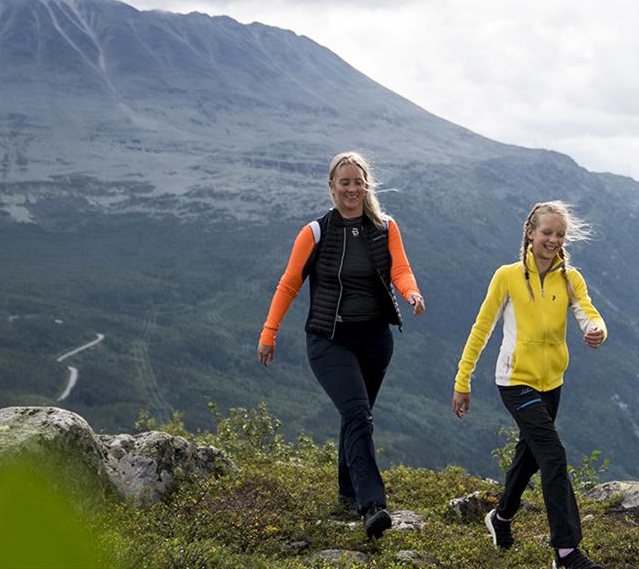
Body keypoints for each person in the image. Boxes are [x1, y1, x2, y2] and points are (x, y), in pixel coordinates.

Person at [257, 151, 425, 538]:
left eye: (357, 181)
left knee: (356, 416)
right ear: (332, 187)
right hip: (328, 340)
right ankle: (373, 506)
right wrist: (270, 332)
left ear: (367, 186)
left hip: (376, 340)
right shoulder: (315, 233)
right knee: (359, 415)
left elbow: (400, 268)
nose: (351, 188)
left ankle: (347, 494)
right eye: (344, 182)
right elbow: (289, 283)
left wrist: (411, 294)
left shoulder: (385, 227)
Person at [452, 200, 609, 569]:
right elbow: (482, 329)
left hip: (552, 382)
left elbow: (587, 312)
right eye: (547, 233)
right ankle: (566, 552)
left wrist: (596, 331)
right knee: (553, 454)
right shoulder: (506, 276)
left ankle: (501, 517)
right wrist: (463, 379)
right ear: (530, 232)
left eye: (559, 235)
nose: (553, 240)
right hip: (515, 381)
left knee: (529, 458)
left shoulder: (570, 278)